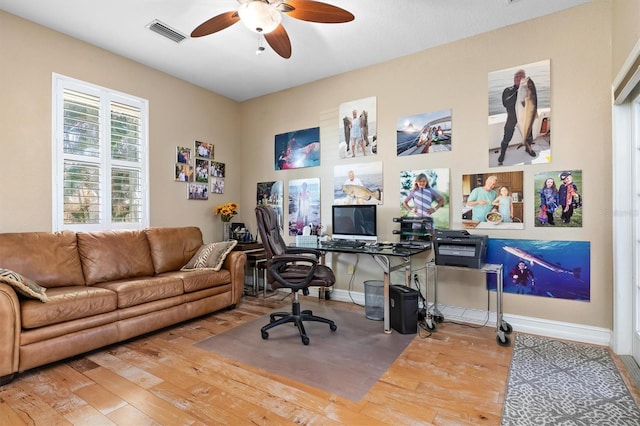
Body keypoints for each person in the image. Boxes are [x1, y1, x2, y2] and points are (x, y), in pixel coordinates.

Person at [497, 69, 536, 165]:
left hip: (525, 117)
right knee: (507, 137)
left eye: (521, 76)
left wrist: (524, 90)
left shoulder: (527, 90)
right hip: (512, 118)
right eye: (516, 77)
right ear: (514, 79)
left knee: (529, 135)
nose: (519, 78)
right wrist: (518, 92)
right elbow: (506, 103)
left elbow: (533, 102)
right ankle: (502, 153)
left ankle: (528, 148)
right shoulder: (508, 90)